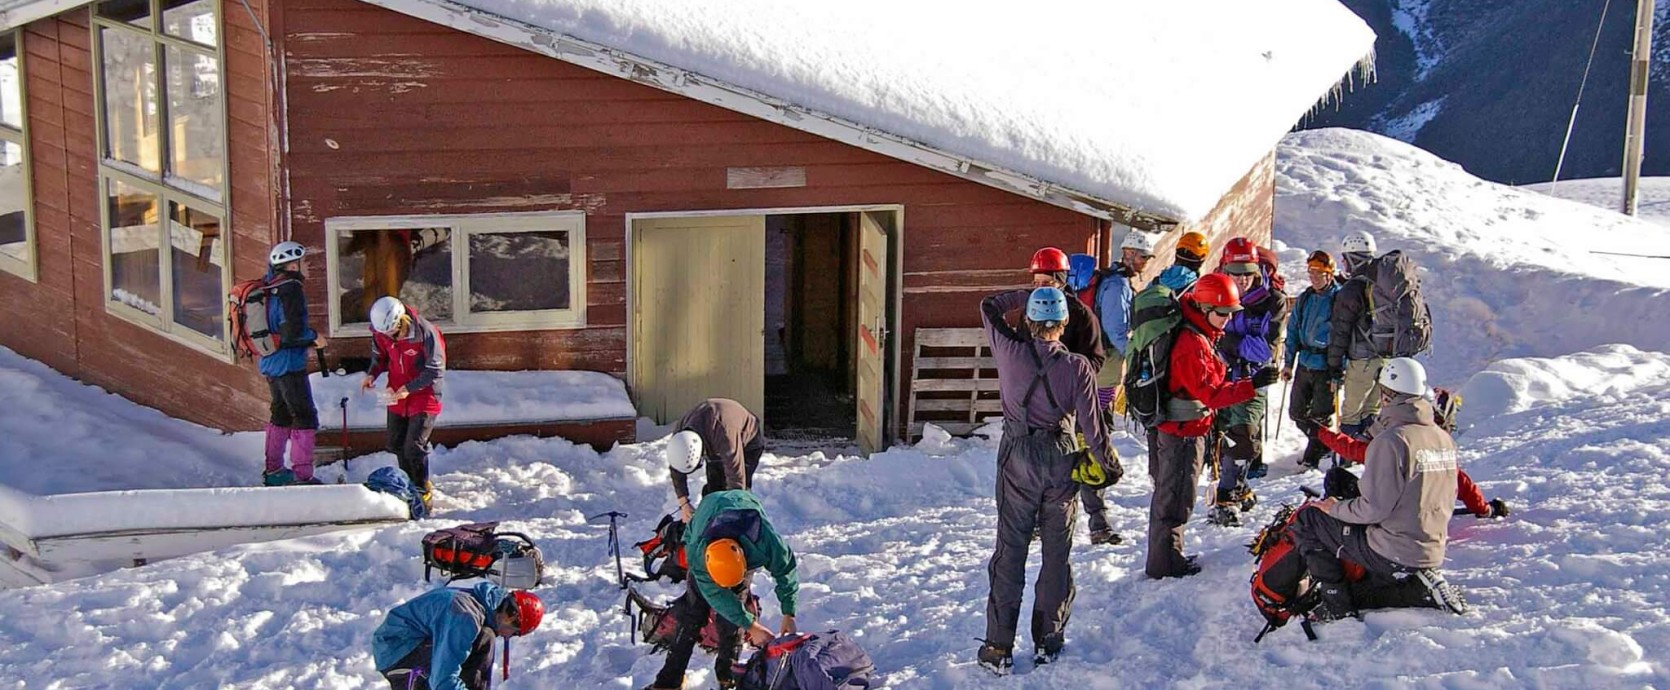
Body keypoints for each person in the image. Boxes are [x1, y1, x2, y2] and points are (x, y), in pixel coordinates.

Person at [976, 286, 1121, 673]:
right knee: (1056, 553)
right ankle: (1048, 638)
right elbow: (1094, 430)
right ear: (1064, 323)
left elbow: (989, 306)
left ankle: (997, 647)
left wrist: (1029, 292)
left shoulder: (1010, 351)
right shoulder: (1078, 368)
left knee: (1010, 553)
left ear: (1028, 320)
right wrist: (1108, 467)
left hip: (1017, 457)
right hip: (1060, 457)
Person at [1289, 358, 1470, 623]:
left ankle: (1336, 604)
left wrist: (1333, 508)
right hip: (1429, 546)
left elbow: (1374, 509)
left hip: (1394, 548)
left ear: (1386, 395)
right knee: (1341, 486)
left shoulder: (1392, 441)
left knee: (1308, 520)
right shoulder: (1442, 438)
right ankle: (1413, 589)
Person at [1146, 274, 1276, 579]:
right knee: (1176, 497)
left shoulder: (1198, 333)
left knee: (1172, 494)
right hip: (1183, 433)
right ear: (1204, 308)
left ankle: (1166, 555)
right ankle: (1166, 563)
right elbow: (1212, 394)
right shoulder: (1192, 343)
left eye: (1232, 314)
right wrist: (1251, 385)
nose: (1228, 320)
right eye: (1223, 313)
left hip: (1182, 428)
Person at [646, 489, 799, 690]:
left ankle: (728, 678)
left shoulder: (765, 541)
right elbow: (717, 596)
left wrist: (789, 612)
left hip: (743, 511)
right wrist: (751, 626)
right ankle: (668, 682)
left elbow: (785, 570)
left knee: (732, 620)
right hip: (707, 514)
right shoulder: (698, 554)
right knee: (693, 613)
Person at [1028, 248, 1117, 545]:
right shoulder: (1031, 312)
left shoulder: (1080, 315)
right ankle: (1042, 520)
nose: (1042, 288)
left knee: (1087, 457)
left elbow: (1095, 358)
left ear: (1062, 281)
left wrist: (1070, 375)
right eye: (1037, 281)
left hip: (1078, 403)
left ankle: (1098, 521)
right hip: (1045, 406)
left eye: (1048, 282)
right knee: (1045, 466)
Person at [1206, 238, 1289, 526]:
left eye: (1248, 273)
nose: (1242, 279)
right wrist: (1234, 344)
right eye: (1236, 273)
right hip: (1220, 377)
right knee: (1222, 434)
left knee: (1243, 436)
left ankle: (1227, 496)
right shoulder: (1215, 292)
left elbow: (1265, 350)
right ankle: (1237, 488)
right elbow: (1205, 336)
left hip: (1253, 378)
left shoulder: (1272, 300)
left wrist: (1226, 341)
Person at [372, 583, 545, 690]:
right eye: (515, 633)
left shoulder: (478, 606)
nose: (508, 637)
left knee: (485, 637)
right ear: (511, 617)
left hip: (416, 642)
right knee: (485, 639)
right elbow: (442, 679)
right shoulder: (465, 616)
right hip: (397, 653)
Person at [362, 296, 446, 512]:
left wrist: (409, 388)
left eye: (392, 332)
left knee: (414, 446)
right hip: (397, 393)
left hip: (424, 393)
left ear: (401, 321)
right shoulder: (380, 334)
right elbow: (379, 356)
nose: (388, 336)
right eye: (384, 333)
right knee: (395, 443)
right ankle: (407, 485)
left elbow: (435, 369)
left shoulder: (425, 333)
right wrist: (372, 375)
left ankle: (422, 489)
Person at [260, 241, 327, 486]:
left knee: (280, 413)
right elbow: (294, 332)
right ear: (292, 264)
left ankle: (274, 470)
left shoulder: (269, 284)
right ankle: (302, 476)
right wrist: (314, 338)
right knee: (304, 416)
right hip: (289, 363)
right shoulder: (292, 289)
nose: (306, 265)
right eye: (303, 260)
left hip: (270, 360)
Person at [1283, 251, 1344, 470]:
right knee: (1296, 412)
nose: (1314, 277)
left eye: (1319, 272)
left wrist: (1340, 368)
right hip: (1305, 363)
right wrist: (1288, 362)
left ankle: (1314, 456)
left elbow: (1343, 335)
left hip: (1326, 366)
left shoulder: (1339, 299)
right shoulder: (1305, 298)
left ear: (1330, 274)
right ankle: (1324, 443)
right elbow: (1292, 331)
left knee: (1321, 414)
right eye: (1311, 272)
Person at [664, 398, 765, 523]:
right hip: (713, 433)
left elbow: (736, 480)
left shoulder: (725, 437)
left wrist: (733, 514)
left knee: (737, 496)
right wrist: (684, 504)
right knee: (714, 490)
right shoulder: (680, 436)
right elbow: (676, 469)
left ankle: (744, 525)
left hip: (748, 440)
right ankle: (711, 524)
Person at [1327, 231, 1386, 438]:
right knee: (1372, 411)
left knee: (1351, 415)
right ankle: (1369, 456)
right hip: (1386, 356)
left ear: (1353, 258)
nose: (1343, 262)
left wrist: (1334, 365)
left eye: (1345, 258)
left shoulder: (1351, 289)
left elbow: (1340, 331)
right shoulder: (1383, 281)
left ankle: (1347, 460)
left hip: (1362, 360)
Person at [1093, 231, 1157, 415]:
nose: (1145, 262)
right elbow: (1115, 329)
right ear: (1128, 253)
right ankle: (1090, 441)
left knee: (1097, 407)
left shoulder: (1113, 278)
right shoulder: (1118, 285)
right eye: (1143, 256)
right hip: (1106, 354)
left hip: (1100, 351)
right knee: (1099, 406)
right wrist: (1133, 354)